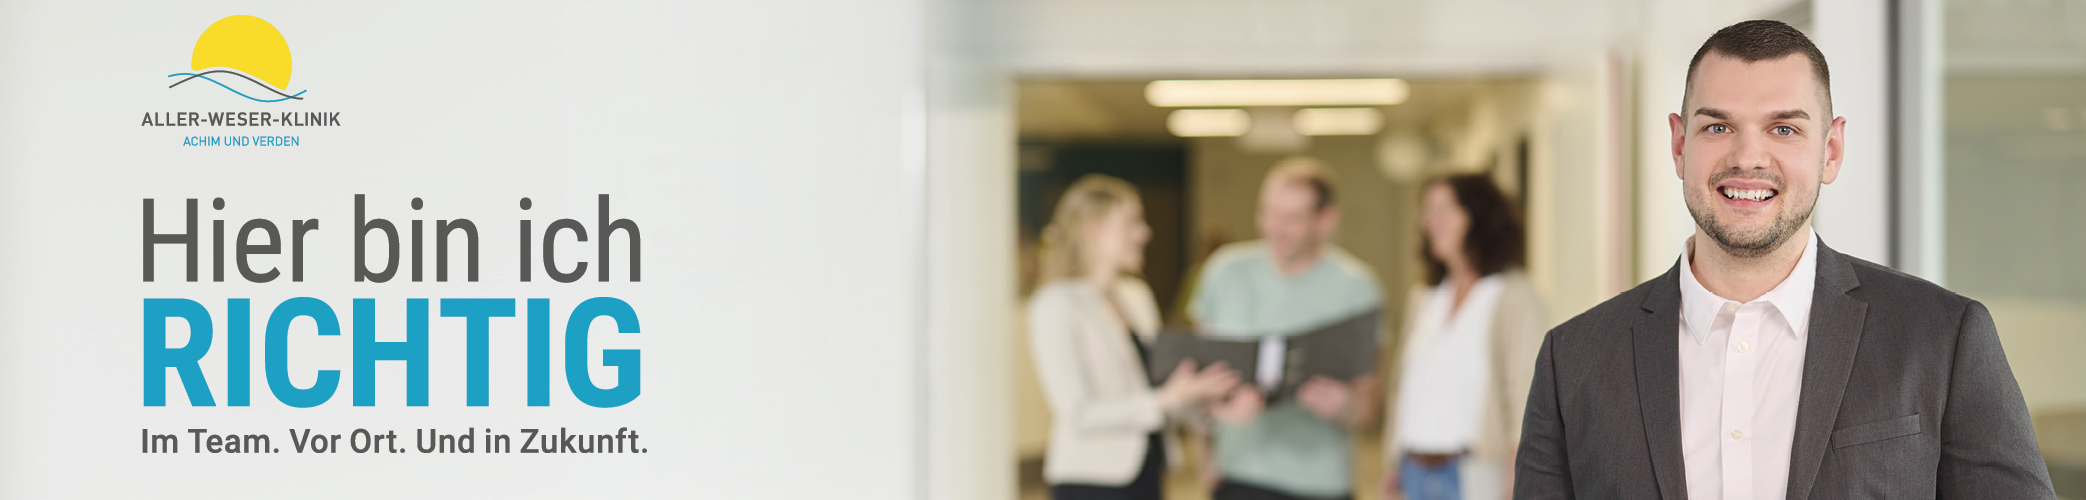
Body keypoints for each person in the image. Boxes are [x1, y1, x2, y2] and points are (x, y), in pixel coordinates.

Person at [1513, 20, 2055, 499]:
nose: (1748, 157)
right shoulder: (1574, 360)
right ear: (1679, 144)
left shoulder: (1942, 337)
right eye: (1718, 127)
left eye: (1784, 129)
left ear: (1831, 150)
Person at [1029, 174, 1242, 500]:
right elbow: (1078, 412)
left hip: (1148, 469)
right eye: (1132, 222)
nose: (1145, 233)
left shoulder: (1137, 296)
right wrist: (1169, 399)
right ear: (1093, 230)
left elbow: (1156, 389)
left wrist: (1204, 405)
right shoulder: (1056, 304)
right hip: (1091, 480)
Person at [1189, 157, 1383, 500]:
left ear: (1325, 221)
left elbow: (1370, 405)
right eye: (1268, 213)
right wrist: (1206, 450)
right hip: (1238, 475)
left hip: (1321, 483)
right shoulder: (1225, 273)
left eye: (1292, 218)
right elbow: (1195, 378)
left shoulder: (1357, 288)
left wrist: (1345, 406)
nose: (1275, 227)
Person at [1380, 174, 1546, 500]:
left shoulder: (1512, 295)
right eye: (1427, 212)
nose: (1431, 222)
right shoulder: (1425, 298)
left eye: (1443, 210)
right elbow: (1404, 389)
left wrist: (1519, 468)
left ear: (1479, 216)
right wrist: (1391, 464)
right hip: (1413, 471)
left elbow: (1526, 388)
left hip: (1474, 473)